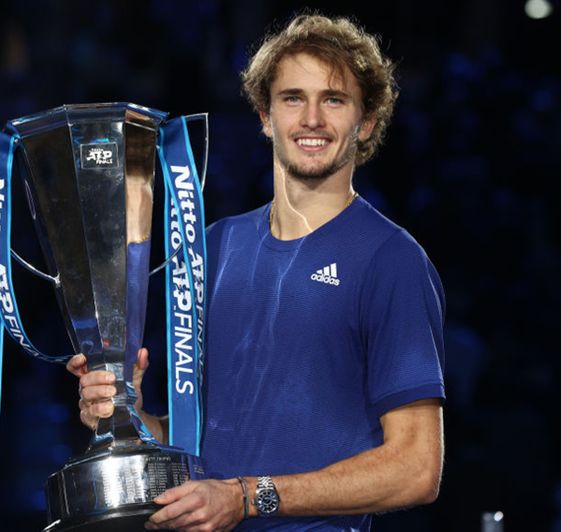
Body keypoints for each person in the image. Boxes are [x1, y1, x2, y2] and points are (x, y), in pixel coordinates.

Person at [68, 13, 446, 531]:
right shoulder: (213, 247)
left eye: (334, 100)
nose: (311, 118)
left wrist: (249, 497)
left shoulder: (391, 259)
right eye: (293, 98)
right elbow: (204, 454)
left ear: (367, 122)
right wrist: (127, 416)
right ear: (265, 116)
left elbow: (416, 468)